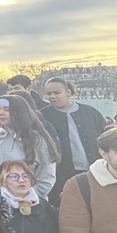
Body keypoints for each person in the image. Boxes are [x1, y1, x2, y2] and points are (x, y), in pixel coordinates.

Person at [0, 96, 58, 199]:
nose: (0, 113)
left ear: (19, 112)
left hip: (23, 202)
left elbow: (47, 177)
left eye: (6, 109)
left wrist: (27, 198)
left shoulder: (37, 140)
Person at [41, 77, 106, 205]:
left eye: (57, 92)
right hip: (61, 174)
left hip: (93, 169)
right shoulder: (43, 116)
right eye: (49, 93)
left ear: (68, 92)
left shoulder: (90, 112)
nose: (52, 96)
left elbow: (105, 138)